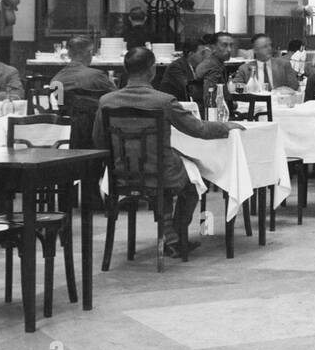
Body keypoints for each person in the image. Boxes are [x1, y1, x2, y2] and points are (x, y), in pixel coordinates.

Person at [92, 47, 240, 256]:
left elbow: (98, 140)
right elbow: (198, 129)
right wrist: (226, 127)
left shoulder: (106, 101)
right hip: (161, 172)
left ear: (125, 69)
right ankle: (175, 235)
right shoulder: (163, 101)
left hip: (121, 174)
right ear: (152, 70)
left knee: (175, 171)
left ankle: (169, 234)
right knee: (194, 180)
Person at [234, 33, 301, 91]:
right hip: (254, 103)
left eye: (270, 45)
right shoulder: (244, 69)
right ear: (255, 50)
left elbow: (295, 88)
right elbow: (235, 89)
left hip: (279, 103)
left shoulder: (284, 65)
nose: (269, 48)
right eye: (265, 46)